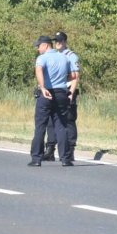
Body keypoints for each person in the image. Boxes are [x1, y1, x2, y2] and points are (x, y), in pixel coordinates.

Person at [29, 36, 76, 167]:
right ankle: (65, 159)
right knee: (61, 126)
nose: (38, 49)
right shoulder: (64, 57)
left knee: (40, 126)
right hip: (61, 93)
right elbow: (73, 76)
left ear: (45, 45)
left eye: (38, 46)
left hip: (47, 93)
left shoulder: (42, 58)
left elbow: (39, 70)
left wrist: (43, 87)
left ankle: (36, 158)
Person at [42, 31, 80, 162]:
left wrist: (71, 93)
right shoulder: (54, 55)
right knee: (51, 121)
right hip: (55, 90)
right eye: (56, 41)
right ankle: (50, 149)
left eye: (59, 41)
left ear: (65, 41)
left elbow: (75, 76)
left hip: (67, 90)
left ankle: (69, 151)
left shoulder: (71, 56)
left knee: (68, 120)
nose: (57, 43)